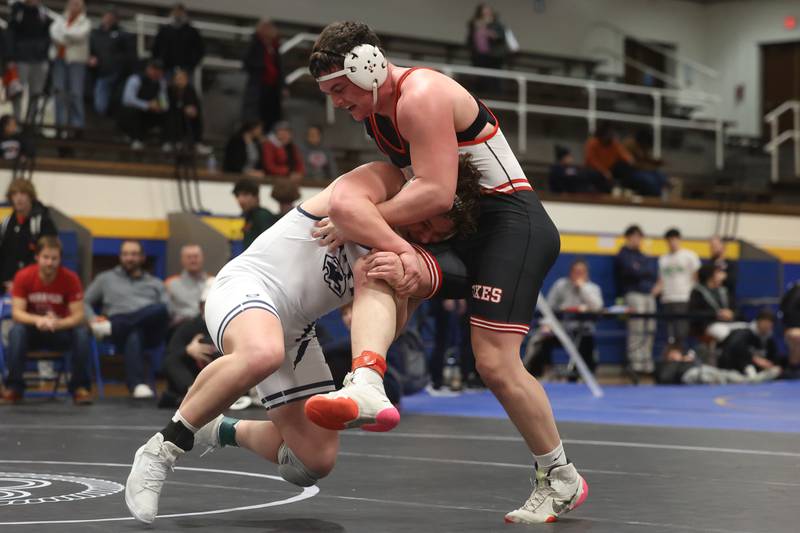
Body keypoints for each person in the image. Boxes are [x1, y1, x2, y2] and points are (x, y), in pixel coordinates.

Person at [306, 21, 586, 524]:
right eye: (328, 93)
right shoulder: (376, 116)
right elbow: (429, 199)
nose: (336, 103)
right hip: (459, 230)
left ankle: (560, 476)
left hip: (511, 224)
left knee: (495, 362)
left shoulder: (422, 93)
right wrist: (373, 229)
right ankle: (366, 379)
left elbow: (435, 191)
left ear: (367, 66)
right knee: (384, 267)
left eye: (339, 89)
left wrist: (361, 219)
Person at [123, 154, 481, 525]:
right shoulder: (382, 179)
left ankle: (220, 428)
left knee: (311, 462)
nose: (423, 235)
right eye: (424, 221)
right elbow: (346, 207)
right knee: (262, 351)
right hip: (249, 286)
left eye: (437, 236)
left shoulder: (411, 255)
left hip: (296, 329)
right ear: (419, 195)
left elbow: (389, 329)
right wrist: (389, 239)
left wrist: (406, 286)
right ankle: (162, 449)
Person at [1, 236, 92, 405]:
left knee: (81, 332)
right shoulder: (23, 276)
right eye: (46, 257)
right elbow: (17, 313)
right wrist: (39, 320)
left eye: (54, 258)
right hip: (32, 332)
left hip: (58, 332)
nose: (50, 262)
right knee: (16, 331)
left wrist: (57, 323)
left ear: (60, 259)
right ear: (37, 257)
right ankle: (14, 388)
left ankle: (79, 388)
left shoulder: (70, 279)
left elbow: (78, 315)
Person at [83, 240, 169, 399]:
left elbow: (166, 310)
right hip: (117, 334)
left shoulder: (155, 283)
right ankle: (136, 385)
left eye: (134, 254)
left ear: (142, 257)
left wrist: (112, 325)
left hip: (149, 332)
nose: (130, 258)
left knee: (160, 309)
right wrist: (92, 319)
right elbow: (85, 301)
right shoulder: (105, 279)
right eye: (126, 254)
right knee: (134, 332)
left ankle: (115, 326)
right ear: (120, 256)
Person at [525, 259, 604, 379]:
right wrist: (546, 325)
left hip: (581, 330)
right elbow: (548, 307)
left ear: (586, 273)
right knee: (541, 339)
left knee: (586, 341)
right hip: (559, 329)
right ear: (570, 272)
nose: (578, 274)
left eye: (581, 272)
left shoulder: (592, 288)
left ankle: (579, 375)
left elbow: (597, 307)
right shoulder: (560, 285)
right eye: (575, 271)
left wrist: (582, 288)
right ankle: (539, 374)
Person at [159, 277, 219, 409]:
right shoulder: (187, 327)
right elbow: (169, 359)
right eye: (207, 303)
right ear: (200, 306)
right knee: (172, 360)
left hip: (219, 382)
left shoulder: (230, 327)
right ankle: (193, 393)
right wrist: (189, 350)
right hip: (190, 380)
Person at [0, 179, 58, 293]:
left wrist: (20, 283)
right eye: (15, 194)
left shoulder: (43, 222)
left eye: (23, 193)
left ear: (31, 196)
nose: (18, 198)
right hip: (6, 286)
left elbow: (49, 257)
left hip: (34, 286)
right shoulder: (6, 223)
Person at [614, 224, 658, 374]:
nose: (637, 240)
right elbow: (631, 271)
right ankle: (635, 362)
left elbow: (651, 273)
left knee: (650, 327)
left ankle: (646, 361)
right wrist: (641, 271)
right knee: (636, 328)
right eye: (634, 237)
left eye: (640, 237)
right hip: (633, 294)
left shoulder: (643, 256)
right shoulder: (623, 254)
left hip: (648, 295)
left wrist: (640, 270)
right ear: (628, 237)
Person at [585, 122, 663, 197]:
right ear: (603, 133)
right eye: (610, 133)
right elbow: (592, 160)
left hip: (610, 170)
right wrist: (604, 171)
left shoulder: (613, 143)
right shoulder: (593, 143)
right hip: (596, 171)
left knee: (625, 169)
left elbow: (623, 154)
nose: (612, 135)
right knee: (596, 176)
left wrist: (630, 160)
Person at [653, 228, 700, 348]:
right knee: (670, 333)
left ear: (679, 240)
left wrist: (695, 297)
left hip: (683, 298)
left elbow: (696, 278)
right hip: (667, 298)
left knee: (682, 331)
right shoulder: (663, 259)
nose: (672, 243)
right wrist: (651, 294)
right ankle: (672, 358)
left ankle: (682, 358)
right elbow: (661, 281)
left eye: (674, 239)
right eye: (669, 240)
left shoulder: (689, 256)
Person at [49, 0, 90, 134]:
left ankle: (77, 126)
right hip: (59, 60)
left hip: (76, 62)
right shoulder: (60, 19)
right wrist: (67, 36)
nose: (74, 6)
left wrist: (64, 34)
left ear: (82, 7)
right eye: (72, 3)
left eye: (77, 4)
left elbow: (79, 35)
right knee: (59, 92)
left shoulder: (85, 22)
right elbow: (53, 33)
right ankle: (59, 126)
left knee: (76, 93)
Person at [7, 0, 51, 121]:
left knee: (36, 93)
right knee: (17, 92)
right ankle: (16, 121)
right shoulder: (18, 11)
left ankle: (30, 122)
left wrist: (44, 52)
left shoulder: (43, 12)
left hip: (40, 59)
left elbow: (47, 35)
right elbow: (10, 33)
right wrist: (11, 58)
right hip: (21, 59)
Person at [89, 6, 137, 116]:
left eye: (112, 16)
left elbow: (130, 55)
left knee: (113, 101)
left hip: (117, 74)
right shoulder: (96, 34)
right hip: (99, 73)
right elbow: (90, 51)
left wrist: (120, 66)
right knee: (99, 104)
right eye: (107, 15)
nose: (108, 18)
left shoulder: (122, 35)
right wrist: (91, 58)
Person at [242, 20, 283, 133]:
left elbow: (279, 67)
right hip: (259, 86)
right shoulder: (254, 44)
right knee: (257, 114)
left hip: (273, 87)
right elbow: (246, 62)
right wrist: (262, 66)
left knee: (272, 114)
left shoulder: (275, 46)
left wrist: (283, 85)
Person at [688, 264, 743, 345]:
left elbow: (736, 308)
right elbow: (694, 313)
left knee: (745, 330)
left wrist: (732, 314)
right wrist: (716, 314)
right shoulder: (698, 292)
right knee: (726, 333)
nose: (723, 275)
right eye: (719, 272)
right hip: (709, 325)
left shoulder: (724, 291)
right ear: (710, 275)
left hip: (729, 323)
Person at [119, 59, 168, 150]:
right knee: (131, 111)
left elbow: (163, 99)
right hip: (133, 112)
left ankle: (166, 141)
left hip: (149, 112)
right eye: (154, 69)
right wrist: (147, 105)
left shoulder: (161, 82)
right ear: (148, 69)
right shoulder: (135, 79)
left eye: (159, 70)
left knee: (168, 112)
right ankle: (136, 139)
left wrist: (161, 106)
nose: (156, 73)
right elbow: (127, 99)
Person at [717, 308, 781, 377]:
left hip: (758, 372)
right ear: (758, 321)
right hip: (735, 370)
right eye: (764, 321)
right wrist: (754, 359)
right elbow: (734, 350)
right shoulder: (743, 333)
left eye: (769, 323)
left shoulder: (769, 340)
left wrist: (769, 365)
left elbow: (772, 359)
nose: (766, 325)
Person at [151, 3, 204, 78]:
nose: (178, 14)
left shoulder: (192, 32)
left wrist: (191, 65)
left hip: (186, 69)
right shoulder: (164, 30)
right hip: (166, 68)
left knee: (185, 88)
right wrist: (160, 62)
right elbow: (155, 48)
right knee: (165, 87)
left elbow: (199, 50)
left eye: (180, 12)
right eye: (176, 12)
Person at [164, 69, 209, 153]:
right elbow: (167, 104)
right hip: (173, 113)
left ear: (186, 80)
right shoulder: (170, 89)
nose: (180, 81)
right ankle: (171, 142)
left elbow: (195, 104)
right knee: (173, 116)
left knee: (197, 117)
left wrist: (193, 110)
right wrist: (183, 108)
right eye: (178, 79)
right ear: (174, 80)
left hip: (187, 115)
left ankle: (197, 143)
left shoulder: (191, 90)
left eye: (182, 79)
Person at [165, 243, 209, 327]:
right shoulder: (170, 284)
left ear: (202, 258)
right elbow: (168, 312)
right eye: (189, 257)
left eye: (196, 256)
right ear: (182, 260)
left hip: (207, 326)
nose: (193, 260)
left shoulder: (212, 282)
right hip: (181, 327)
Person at [466, 4, 507, 93]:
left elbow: (501, 37)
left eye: (488, 12)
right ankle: (479, 92)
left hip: (494, 56)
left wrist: (492, 34)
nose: (486, 14)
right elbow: (470, 38)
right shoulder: (475, 23)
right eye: (484, 12)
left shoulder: (496, 24)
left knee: (493, 77)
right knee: (479, 76)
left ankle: (495, 94)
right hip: (479, 55)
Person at [232, 178, 279, 250]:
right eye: (237, 195)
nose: (240, 200)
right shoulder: (246, 216)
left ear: (256, 197)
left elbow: (270, 246)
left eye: (245, 194)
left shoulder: (263, 216)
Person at [707, 235, 737, 301]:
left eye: (715, 245)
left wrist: (724, 277)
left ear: (723, 246)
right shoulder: (709, 264)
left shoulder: (731, 264)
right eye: (711, 246)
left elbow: (732, 280)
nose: (713, 248)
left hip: (727, 299)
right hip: (712, 300)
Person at [780, 280, 800, 377]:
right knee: (796, 336)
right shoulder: (796, 292)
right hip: (793, 328)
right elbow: (788, 312)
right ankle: (793, 369)